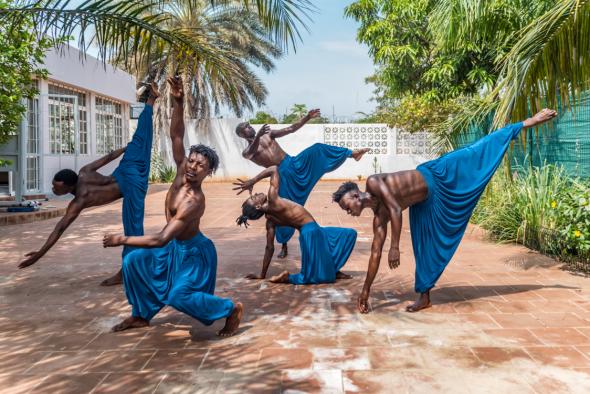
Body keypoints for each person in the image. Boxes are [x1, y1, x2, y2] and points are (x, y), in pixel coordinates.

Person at [331, 109, 558, 313]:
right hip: (425, 204)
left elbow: (395, 209)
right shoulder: (378, 219)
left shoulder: (373, 182)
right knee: (426, 247)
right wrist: (365, 292)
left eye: (346, 206)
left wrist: (395, 247)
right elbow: (374, 253)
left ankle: (529, 121)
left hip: (438, 175)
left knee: (476, 151)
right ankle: (425, 297)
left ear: (354, 195)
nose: (347, 212)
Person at [103, 77, 242, 336]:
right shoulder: (180, 172)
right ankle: (141, 315)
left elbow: (161, 238)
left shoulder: (194, 202)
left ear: (208, 172)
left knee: (179, 296)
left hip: (194, 254)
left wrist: (120, 238)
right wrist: (178, 101)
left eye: (201, 166)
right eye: (191, 161)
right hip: (173, 249)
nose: (193, 166)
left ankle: (230, 309)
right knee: (133, 261)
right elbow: (176, 134)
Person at [18, 83, 161, 286]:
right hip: (128, 169)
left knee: (133, 230)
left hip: (131, 184)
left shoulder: (79, 202)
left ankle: (126, 273)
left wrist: (40, 254)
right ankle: (151, 101)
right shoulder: (85, 171)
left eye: (55, 186)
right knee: (141, 135)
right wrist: (128, 149)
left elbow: (60, 229)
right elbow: (109, 156)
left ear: (67, 186)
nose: (53, 189)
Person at [235, 112, 368, 258]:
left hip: (292, 163)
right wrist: (258, 136)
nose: (250, 127)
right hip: (280, 176)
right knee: (282, 211)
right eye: (246, 127)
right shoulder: (246, 151)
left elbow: (291, 129)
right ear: (242, 135)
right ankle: (284, 245)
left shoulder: (268, 135)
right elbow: (251, 152)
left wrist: (307, 117)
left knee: (317, 149)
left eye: (249, 125)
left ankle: (352, 154)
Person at [234, 166, 357, 284]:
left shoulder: (270, 221)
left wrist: (262, 274)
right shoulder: (273, 199)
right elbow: (274, 169)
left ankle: (332, 269)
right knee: (316, 277)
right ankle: (288, 278)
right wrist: (253, 181)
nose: (256, 194)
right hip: (310, 233)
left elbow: (269, 248)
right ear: (258, 206)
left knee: (349, 234)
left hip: (314, 231)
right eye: (254, 197)